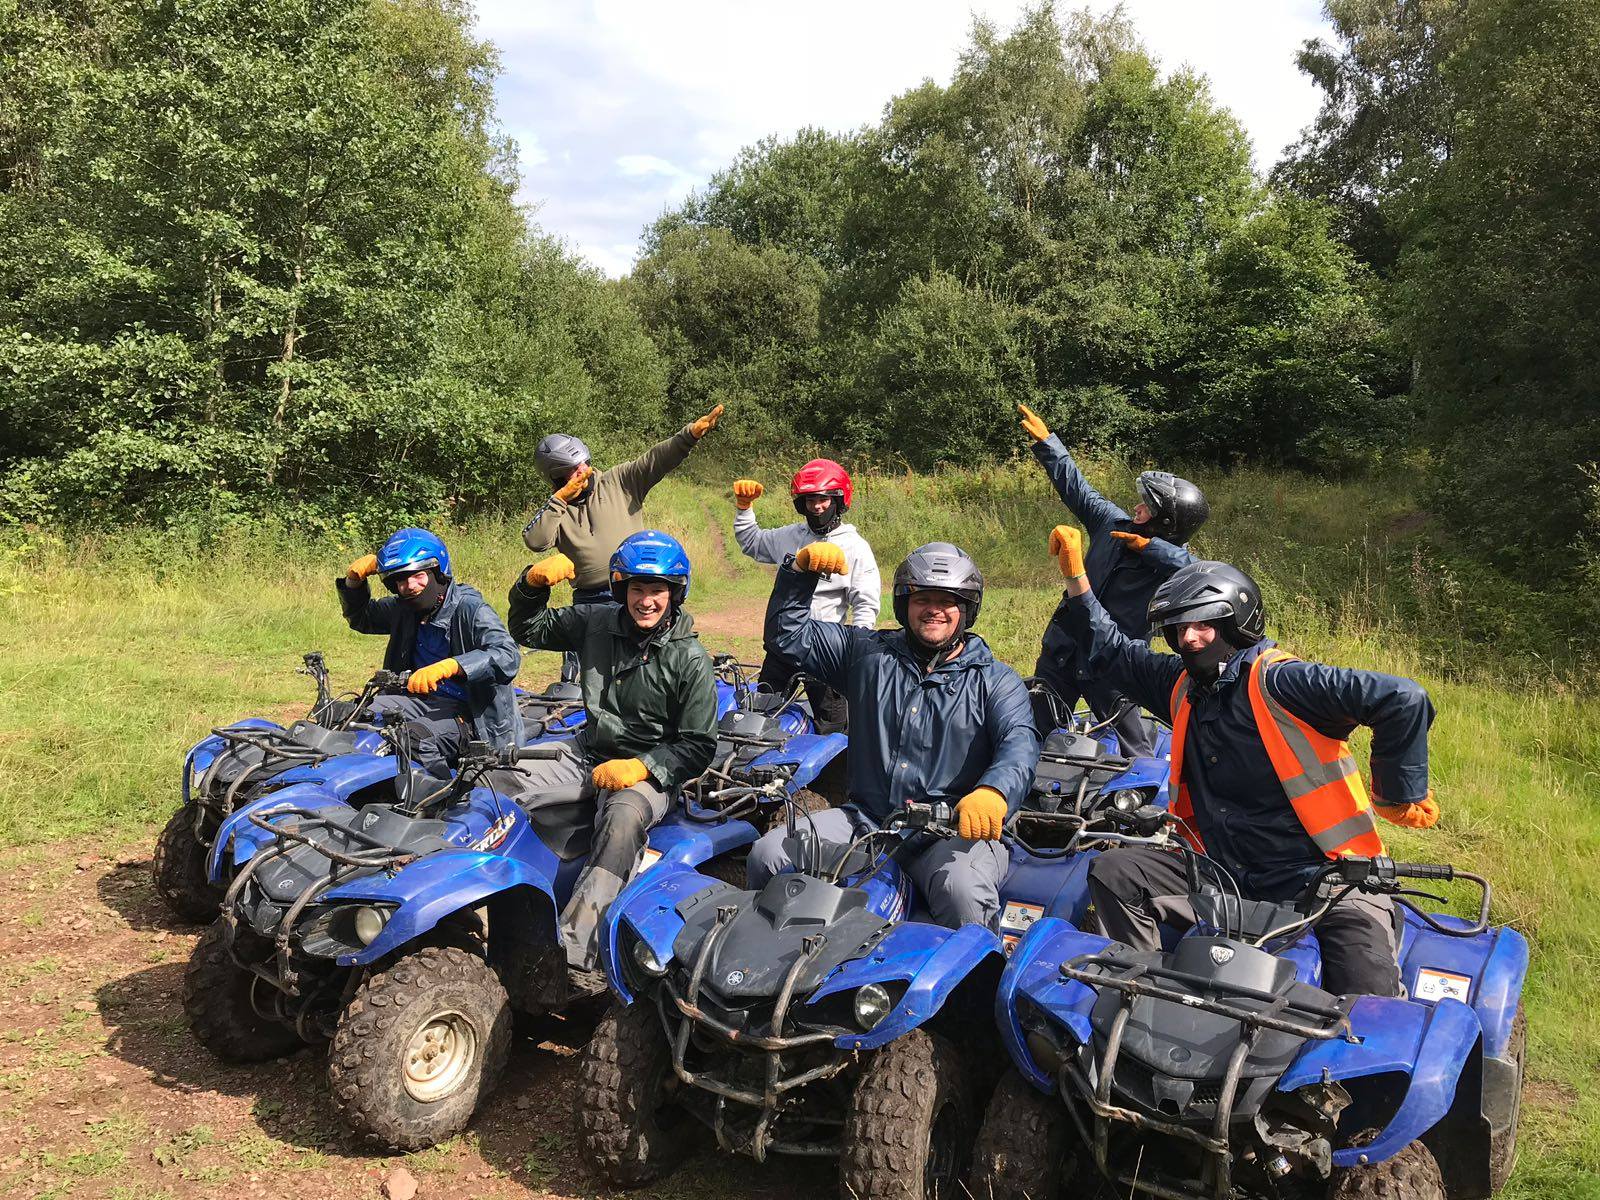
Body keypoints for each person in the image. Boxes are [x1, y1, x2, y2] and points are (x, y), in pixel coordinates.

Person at [1047, 526, 1440, 996]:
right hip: (1226, 871)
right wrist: (1077, 579)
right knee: (1116, 873)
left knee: (1368, 992)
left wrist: (1398, 795)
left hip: (1329, 878)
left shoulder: (1284, 682)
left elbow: (1403, 699)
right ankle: (1141, 995)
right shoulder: (1182, 684)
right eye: (1177, 628)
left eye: (1202, 625)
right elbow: (1113, 653)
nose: (1188, 638)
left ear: (1236, 624)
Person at [746, 541, 1039, 930]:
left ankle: (977, 986)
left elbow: (1020, 744)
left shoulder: (995, 681)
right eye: (922, 598)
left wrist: (995, 791)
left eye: (947, 600)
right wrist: (799, 575)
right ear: (904, 604)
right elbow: (785, 637)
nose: (934, 608)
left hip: (951, 833)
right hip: (868, 821)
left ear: (966, 609)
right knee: (767, 853)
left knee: (962, 890)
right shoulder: (867, 655)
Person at [505, 530, 717, 979]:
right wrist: (531, 586)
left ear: (675, 594)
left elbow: (698, 745)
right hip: (588, 749)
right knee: (500, 777)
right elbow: (526, 629)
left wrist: (644, 766)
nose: (646, 600)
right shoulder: (595, 621)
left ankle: (576, 957)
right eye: (637, 589)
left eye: (657, 590)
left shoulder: (690, 658)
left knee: (620, 822)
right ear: (621, 589)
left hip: (651, 770)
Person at [1017, 403, 1207, 757]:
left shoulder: (1170, 565)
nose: (1136, 508)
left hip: (1113, 663)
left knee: (1135, 750)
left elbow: (1203, 572)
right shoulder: (1111, 524)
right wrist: (1048, 444)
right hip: (1062, 649)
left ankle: (1142, 807)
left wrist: (1150, 550)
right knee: (1031, 735)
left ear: (1164, 524)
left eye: (1146, 507)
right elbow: (1078, 489)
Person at [522, 407, 725, 680]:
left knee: (653, 662)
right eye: (573, 470)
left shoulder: (619, 481)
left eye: (584, 463)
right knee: (596, 673)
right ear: (557, 478)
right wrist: (560, 500)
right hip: (589, 600)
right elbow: (535, 541)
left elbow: (655, 460)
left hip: (635, 586)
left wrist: (689, 435)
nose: (583, 471)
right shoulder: (556, 510)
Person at [339, 528, 523, 775]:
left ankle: (443, 798)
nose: (410, 586)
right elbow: (362, 618)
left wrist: (453, 665)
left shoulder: (470, 608)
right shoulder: (404, 608)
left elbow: (508, 655)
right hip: (418, 699)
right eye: (400, 580)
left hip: (470, 711)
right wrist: (354, 582)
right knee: (351, 716)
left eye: (418, 576)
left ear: (438, 572)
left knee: (414, 738)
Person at [729, 459, 880, 729]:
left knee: (833, 727)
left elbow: (865, 603)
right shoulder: (791, 535)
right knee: (759, 718)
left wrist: (855, 650)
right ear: (802, 504)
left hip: (824, 646)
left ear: (838, 500)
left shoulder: (855, 547)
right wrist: (744, 508)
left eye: (823, 500)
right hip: (784, 641)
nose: (817, 507)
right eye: (810, 501)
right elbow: (752, 542)